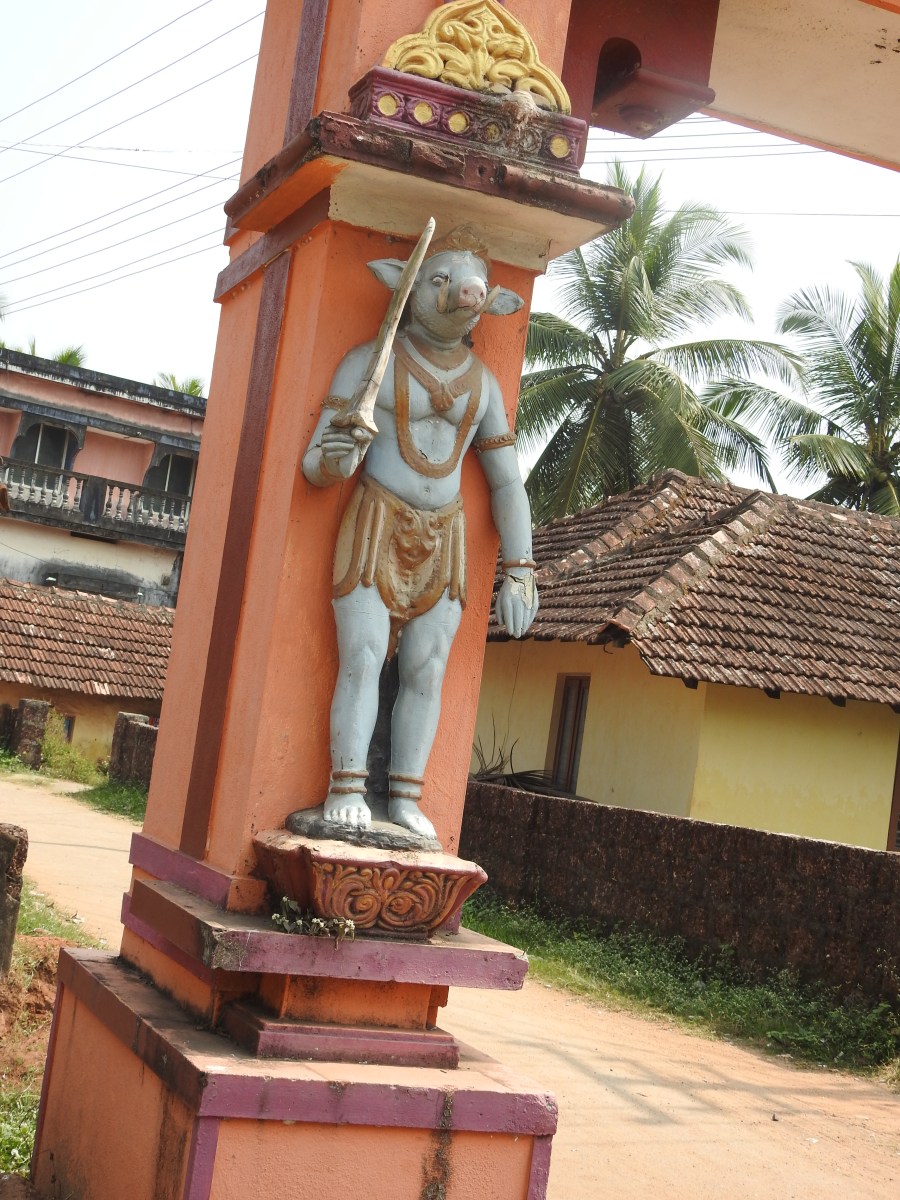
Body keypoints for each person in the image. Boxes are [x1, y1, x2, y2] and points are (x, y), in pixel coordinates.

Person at [302, 226, 538, 842]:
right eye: (439, 281)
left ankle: (406, 796)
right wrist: (334, 458)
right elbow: (317, 463)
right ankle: (346, 787)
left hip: (447, 536)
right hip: (377, 520)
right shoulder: (368, 362)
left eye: (471, 289)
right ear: (404, 288)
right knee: (362, 656)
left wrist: (520, 568)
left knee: (427, 669)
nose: (461, 296)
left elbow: (507, 482)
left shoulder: (483, 385)